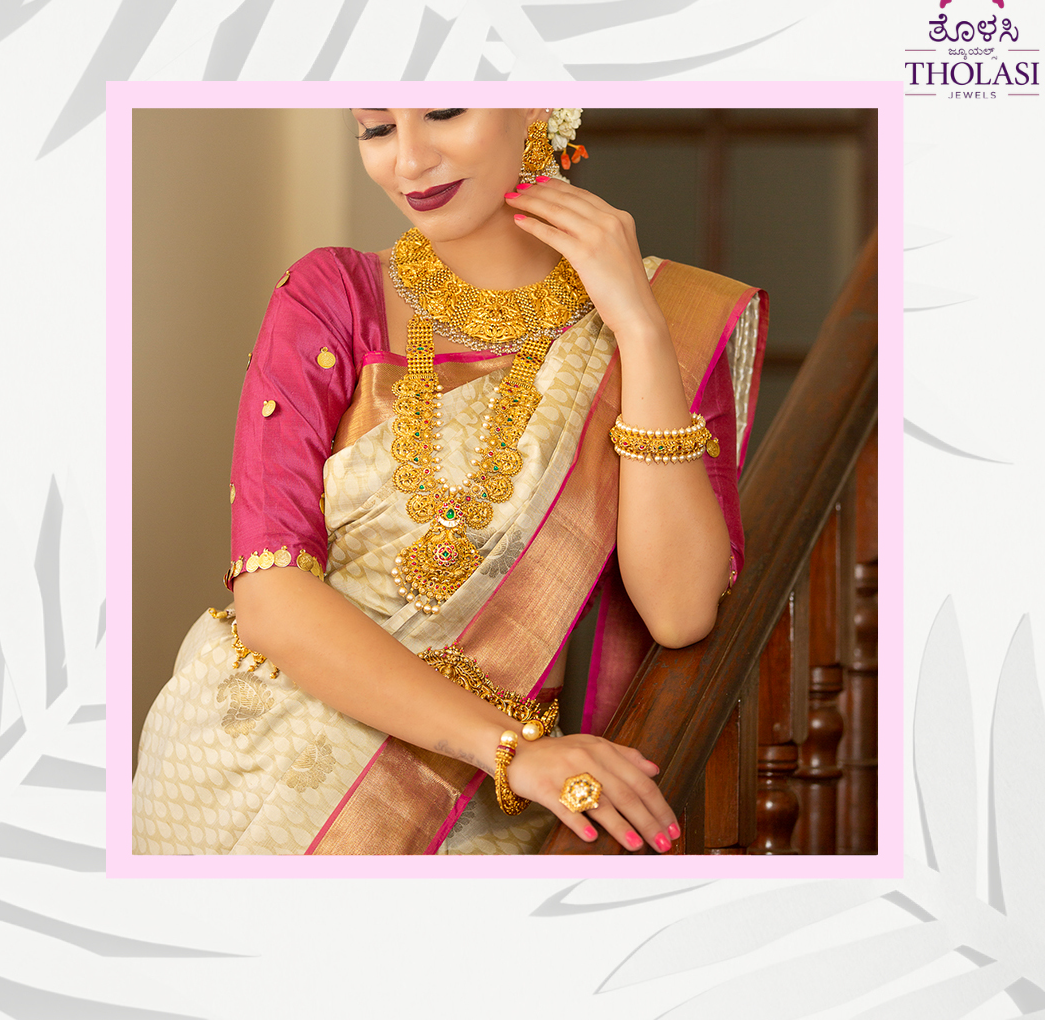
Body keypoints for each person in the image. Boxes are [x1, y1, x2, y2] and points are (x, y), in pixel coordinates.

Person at [132, 107, 767, 856]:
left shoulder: (674, 320)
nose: (409, 161)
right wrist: (513, 751)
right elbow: (270, 597)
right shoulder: (334, 295)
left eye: (443, 112)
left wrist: (639, 325)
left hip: (485, 803)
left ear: (538, 107)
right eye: (376, 129)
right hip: (252, 768)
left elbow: (679, 612)